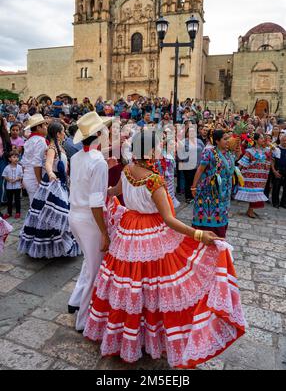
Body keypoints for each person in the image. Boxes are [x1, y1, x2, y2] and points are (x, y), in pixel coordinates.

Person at [83, 129, 246, 368]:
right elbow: (169, 219)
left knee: (130, 283)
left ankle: (128, 335)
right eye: (158, 146)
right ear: (148, 150)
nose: (160, 150)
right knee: (152, 284)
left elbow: (115, 192)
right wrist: (199, 234)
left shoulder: (127, 169)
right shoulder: (153, 180)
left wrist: (91, 192)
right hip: (150, 234)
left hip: (128, 231)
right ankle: (148, 336)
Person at [68, 112, 112, 332]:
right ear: (98, 134)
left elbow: (86, 187)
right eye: (105, 130)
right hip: (89, 219)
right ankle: (83, 320)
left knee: (89, 262)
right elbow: (96, 202)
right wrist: (104, 232)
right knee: (94, 269)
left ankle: (76, 300)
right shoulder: (98, 162)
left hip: (74, 215)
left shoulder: (77, 158)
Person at [18, 122, 81, 259]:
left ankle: (58, 245)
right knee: (55, 214)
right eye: (63, 131)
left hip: (60, 183)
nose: (65, 133)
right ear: (58, 134)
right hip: (53, 184)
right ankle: (53, 245)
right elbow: (47, 163)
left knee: (54, 214)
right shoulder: (51, 148)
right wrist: (51, 173)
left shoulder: (59, 147)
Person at [192, 130, 240, 238]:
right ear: (217, 141)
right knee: (209, 213)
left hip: (225, 191)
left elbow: (236, 159)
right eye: (225, 139)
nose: (228, 141)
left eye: (228, 138)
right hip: (210, 191)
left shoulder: (229, 153)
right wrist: (194, 187)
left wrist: (238, 146)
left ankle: (219, 237)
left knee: (222, 214)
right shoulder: (209, 153)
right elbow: (200, 169)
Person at [235, 133, 272, 218]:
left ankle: (250, 210)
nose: (263, 140)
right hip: (251, 176)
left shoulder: (266, 150)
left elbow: (273, 157)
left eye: (263, 138)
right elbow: (243, 163)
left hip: (261, 177)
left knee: (257, 193)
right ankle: (250, 210)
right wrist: (238, 173)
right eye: (261, 138)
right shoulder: (250, 151)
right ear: (256, 140)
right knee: (254, 193)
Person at [21, 114, 48, 204]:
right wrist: (40, 182)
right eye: (44, 125)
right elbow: (37, 163)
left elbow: (24, 162)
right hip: (34, 178)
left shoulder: (29, 140)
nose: (46, 127)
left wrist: (24, 178)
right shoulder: (40, 140)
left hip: (28, 176)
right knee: (37, 207)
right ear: (38, 128)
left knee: (34, 204)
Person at [2, 151, 23, 219]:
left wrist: (17, 179)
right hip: (9, 187)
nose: (16, 158)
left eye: (17, 157)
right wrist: (9, 179)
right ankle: (9, 213)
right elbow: (4, 175)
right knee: (9, 200)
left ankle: (18, 212)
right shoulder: (7, 167)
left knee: (17, 200)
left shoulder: (20, 167)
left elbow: (22, 176)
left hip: (17, 187)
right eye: (14, 157)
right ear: (9, 159)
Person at [271, 133, 286, 209]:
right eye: (283, 140)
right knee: (276, 187)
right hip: (278, 170)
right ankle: (275, 202)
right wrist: (274, 171)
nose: (285, 142)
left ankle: (284, 203)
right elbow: (272, 161)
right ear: (280, 140)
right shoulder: (276, 148)